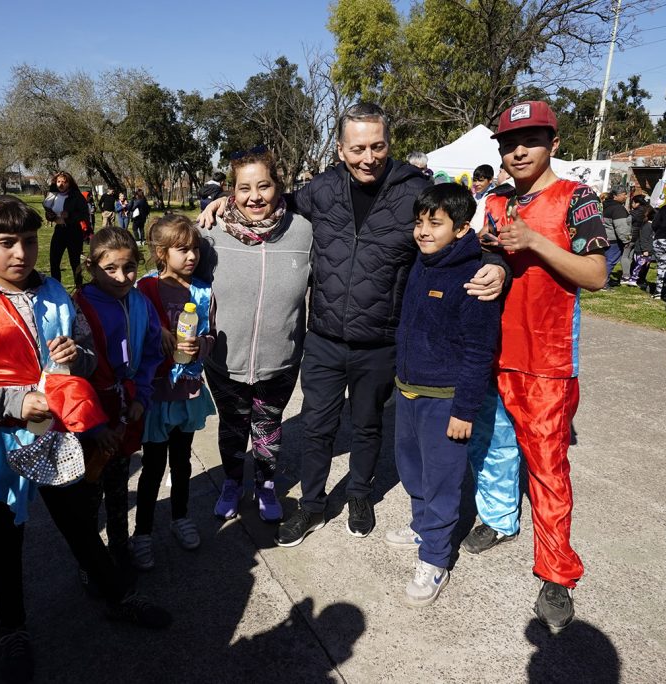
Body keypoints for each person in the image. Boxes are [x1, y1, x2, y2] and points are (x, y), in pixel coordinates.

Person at [198, 103, 508, 547]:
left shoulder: (415, 190)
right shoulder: (318, 192)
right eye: (357, 148)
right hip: (324, 337)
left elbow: (460, 235)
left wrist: (496, 264)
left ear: (389, 144)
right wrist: (221, 202)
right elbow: (266, 206)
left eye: (377, 146)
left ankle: (360, 494)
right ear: (341, 149)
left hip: (381, 339)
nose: (368, 157)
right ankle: (311, 504)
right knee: (319, 426)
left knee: (366, 426)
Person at [0, 196, 171, 682]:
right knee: (4, 536)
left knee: (78, 520)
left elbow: (84, 358)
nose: (21, 253)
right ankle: (11, 628)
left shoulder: (56, 293)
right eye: (6, 242)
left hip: (54, 431)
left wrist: (75, 355)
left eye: (30, 241)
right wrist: (13, 405)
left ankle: (118, 597)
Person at [462, 100, 608, 630]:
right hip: (492, 351)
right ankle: (499, 520)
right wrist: (492, 262)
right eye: (508, 143)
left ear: (554, 143)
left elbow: (595, 275)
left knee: (548, 468)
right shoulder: (495, 200)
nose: (517, 151)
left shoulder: (578, 198)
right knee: (491, 446)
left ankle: (556, 571)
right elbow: (488, 255)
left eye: (530, 140)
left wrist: (536, 242)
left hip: (546, 359)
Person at [384, 183, 500, 607]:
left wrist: (464, 409)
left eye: (435, 223)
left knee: (443, 481)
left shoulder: (474, 277)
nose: (423, 231)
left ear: (462, 228)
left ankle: (434, 557)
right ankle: (421, 525)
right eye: (419, 222)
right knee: (411, 470)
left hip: (446, 400)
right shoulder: (422, 261)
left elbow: (478, 350)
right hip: (409, 391)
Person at [202, 151, 311, 524]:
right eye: (243, 188)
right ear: (230, 191)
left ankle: (265, 484)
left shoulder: (303, 230)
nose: (254, 196)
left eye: (263, 185)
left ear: (278, 186)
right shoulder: (209, 232)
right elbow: (175, 275)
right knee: (233, 427)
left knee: (268, 428)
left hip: (281, 358)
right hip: (224, 360)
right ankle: (232, 482)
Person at [129, 215, 217, 570]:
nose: (192, 256)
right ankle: (143, 533)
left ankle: (180, 517)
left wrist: (203, 345)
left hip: (187, 391)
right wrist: (156, 335)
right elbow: (132, 334)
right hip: (156, 393)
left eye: (195, 248)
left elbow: (210, 333)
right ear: (161, 253)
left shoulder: (203, 291)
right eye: (182, 249)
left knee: (182, 461)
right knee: (152, 467)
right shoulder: (144, 290)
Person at [73, 228, 164, 565]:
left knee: (117, 487)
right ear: (91, 266)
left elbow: (151, 353)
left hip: (127, 412)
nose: (122, 277)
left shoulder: (140, 303)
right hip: (89, 413)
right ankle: (89, 560)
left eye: (129, 268)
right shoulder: (78, 306)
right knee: (87, 492)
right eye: (110, 268)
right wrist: (93, 424)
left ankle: (120, 550)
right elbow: (70, 374)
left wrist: (141, 397)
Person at [42, 172, 92, 287]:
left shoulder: (76, 196)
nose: (61, 184)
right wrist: (50, 216)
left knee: (74, 262)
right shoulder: (53, 195)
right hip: (59, 230)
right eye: (59, 182)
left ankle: (79, 288)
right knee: (54, 261)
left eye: (64, 182)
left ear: (69, 183)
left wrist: (69, 215)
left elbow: (84, 214)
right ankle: (57, 288)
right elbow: (49, 210)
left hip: (73, 231)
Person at [601, 186, 630, 284]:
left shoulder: (603, 206)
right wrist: (626, 240)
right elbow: (621, 227)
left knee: (602, 261)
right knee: (610, 262)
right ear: (615, 196)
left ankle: (598, 280)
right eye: (623, 194)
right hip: (614, 240)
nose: (626, 196)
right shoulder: (618, 209)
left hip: (602, 238)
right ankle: (603, 282)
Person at [627, 204, 655, 289]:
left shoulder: (650, 226)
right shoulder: (648, 226)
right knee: (639, 266)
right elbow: (643, 239)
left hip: (647, 250)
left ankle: (640, 280)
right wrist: (645, 250)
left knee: (644, 266)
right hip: (642, 251)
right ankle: (633, 279)